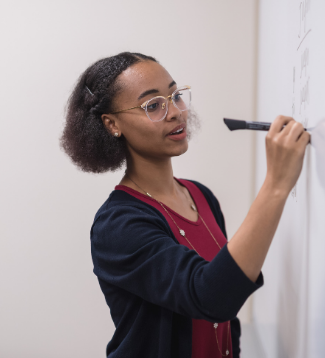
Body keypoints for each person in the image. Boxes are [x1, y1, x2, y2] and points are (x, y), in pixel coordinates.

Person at [60, 52, 309, 358]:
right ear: (112, 124)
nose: (176, 112)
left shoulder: (201, 195)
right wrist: (276, 185)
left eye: (175, 96)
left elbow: (226, 317)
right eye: (153, 105)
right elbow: (213, 297)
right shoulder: (117, 226)